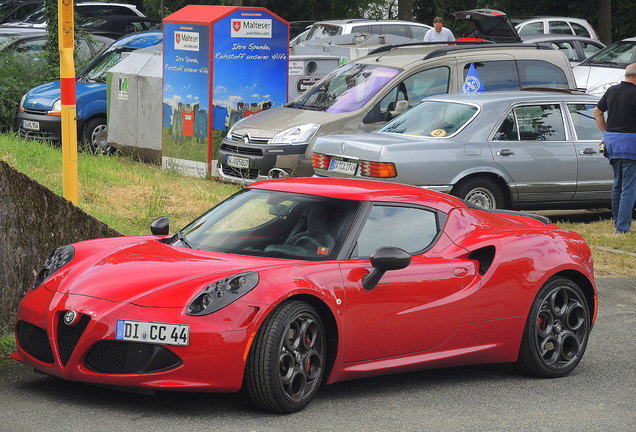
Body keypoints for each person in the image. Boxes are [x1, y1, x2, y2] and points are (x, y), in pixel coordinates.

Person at [593, 63, 636, 234]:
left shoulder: (611, 90)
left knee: (617, 183)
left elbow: (597, 112)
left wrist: (606, 133)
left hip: (612, 143)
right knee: (629, 186)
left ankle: (618, 222)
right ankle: (622, 228)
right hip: (631, 144)